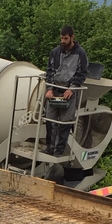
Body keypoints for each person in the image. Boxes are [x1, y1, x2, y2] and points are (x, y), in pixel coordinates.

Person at [43, 25, 89, 156]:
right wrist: (49, 88)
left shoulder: (80, 54)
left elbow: (82, 73)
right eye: (62, 38)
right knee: (50, 121)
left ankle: (59, 151)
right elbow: (49, 71)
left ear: (72, 37)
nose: (63, 41)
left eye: (66, 38)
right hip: (55, 90)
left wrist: (72, 89)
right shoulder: (55, 52)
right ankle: (49, 148)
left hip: (69, 92)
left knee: (65, 123)